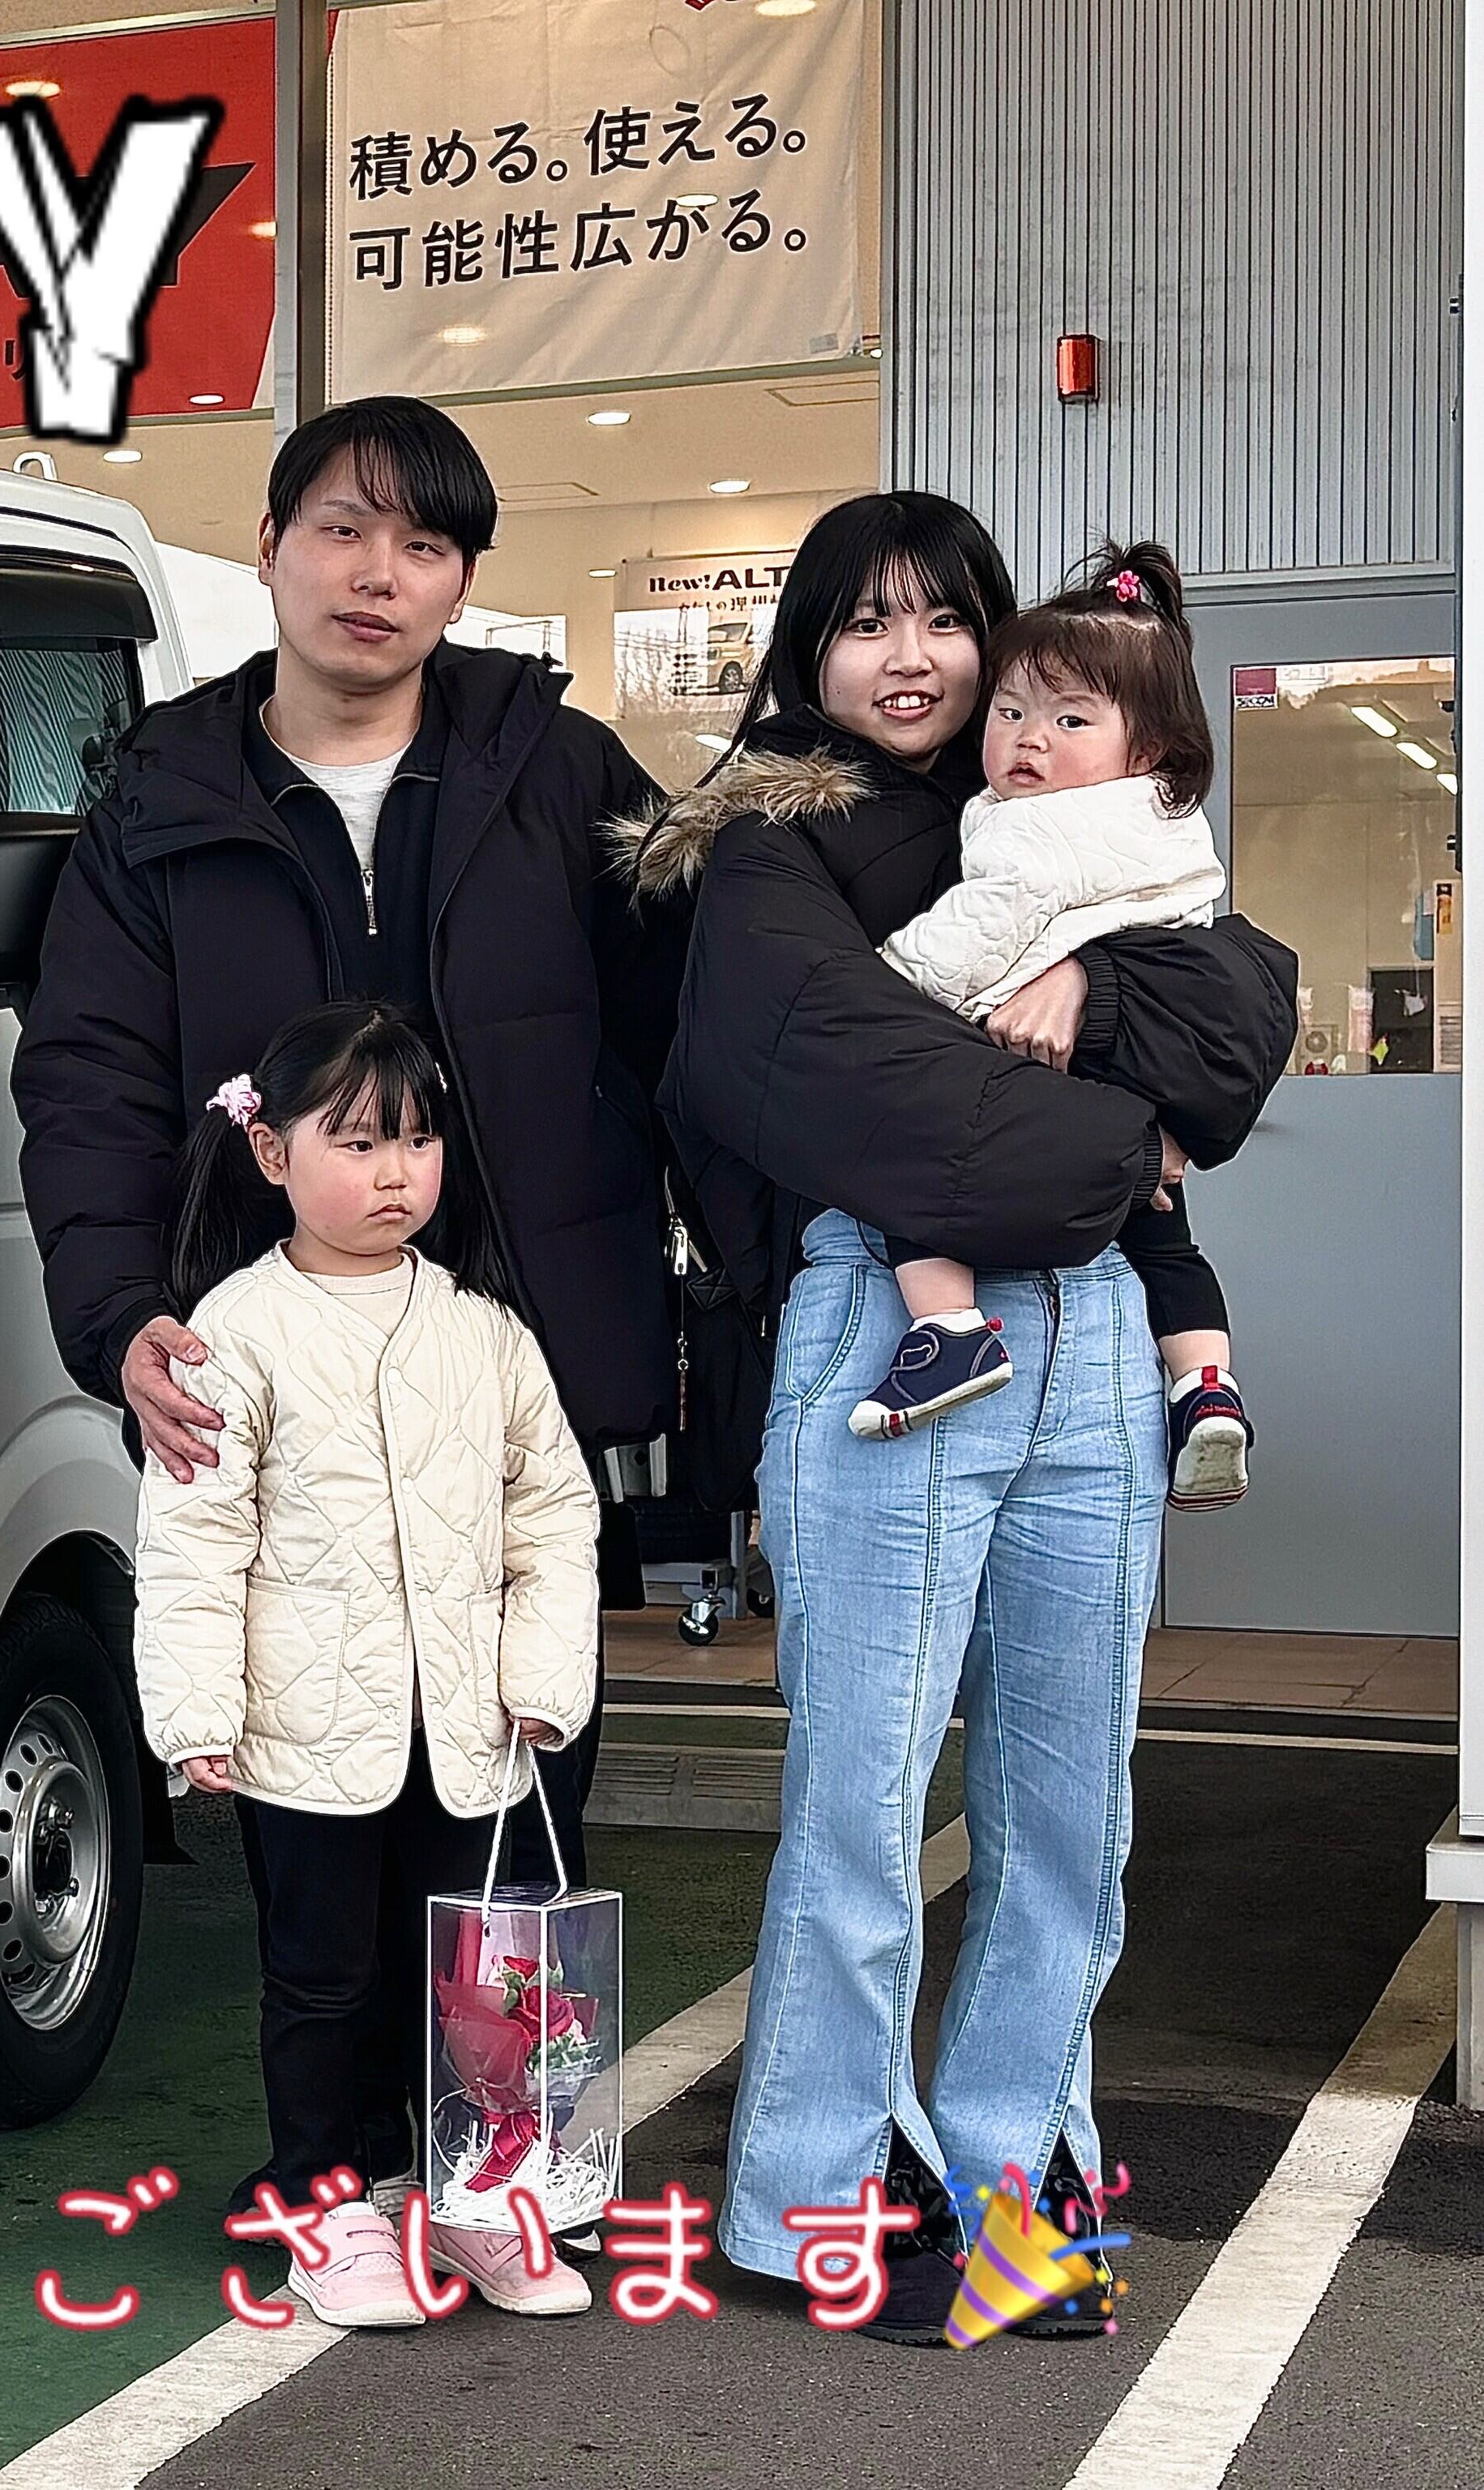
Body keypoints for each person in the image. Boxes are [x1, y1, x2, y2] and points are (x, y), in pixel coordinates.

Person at [626, 492, 1295, 2343]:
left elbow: (1247, 1015)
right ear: (808, 650)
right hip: (890, 1325)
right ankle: (825, 2194)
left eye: (943, 618)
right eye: (864, 621)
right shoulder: (768, 836)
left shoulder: (1074, 813)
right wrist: (1116, 1129)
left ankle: (1021, 2168)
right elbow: (825, 1077)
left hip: (1094, 1337)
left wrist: (1106, 993)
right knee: (861, 1801)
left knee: (1071, 1802)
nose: (910, 657)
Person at [14, 396, 686, 1901]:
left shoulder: (563, 776)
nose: (378, 574)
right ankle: (336, 2076)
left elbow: (706, 1030)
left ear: (464, 581)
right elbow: (88, 1084)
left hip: (515, 1377)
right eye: (341, 529)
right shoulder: (160, 802)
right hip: (273, 1391)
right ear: (269, 545)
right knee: (316, 1890)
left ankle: (494, 2075)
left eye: (424, 545)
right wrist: (119, 1319)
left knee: (512, 1860)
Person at [131, 1002, 599, 2326]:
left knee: (479, 1977)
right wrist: (195, 1711)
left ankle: (479, 2199)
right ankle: (325, 2207)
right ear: (271, 1153)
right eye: (358, 1143)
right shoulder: (235, 1330)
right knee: (321, 1981)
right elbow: (192, 1538)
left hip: (466, 1731)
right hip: (305, 1733)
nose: (396, 1172)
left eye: (417, 1139)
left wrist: (541, 1677)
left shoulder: (482, 1329)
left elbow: (554, 1512)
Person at [845, 542, 1255, 1508]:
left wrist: (887, 981)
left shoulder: (1039, 828)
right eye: (1011, 712)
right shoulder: (1164, 818)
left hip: (1053, 1071)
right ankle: (1206, 1386)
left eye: (1070, 720)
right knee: (1167, 1242)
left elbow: (984, 928)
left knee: (909, 1178)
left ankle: (947, 1331)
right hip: (1143, 1071)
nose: (1029, 740)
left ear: (1145, 749)